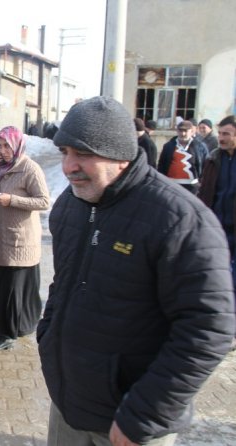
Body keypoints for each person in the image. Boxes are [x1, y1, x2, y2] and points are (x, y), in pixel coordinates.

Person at [38, 96, 235, 445]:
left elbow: (209, 328)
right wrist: (48, 335)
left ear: (120, 156)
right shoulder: (70, 205)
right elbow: (62, 283)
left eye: (83, 153)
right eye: (65, 151)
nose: (68, 166)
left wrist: (144, 415)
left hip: (129, 422)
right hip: (69, 406)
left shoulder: (179, 219)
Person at [0, 126, 50, 352]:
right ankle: (20, 326)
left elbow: (43, 201)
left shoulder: (29, 168)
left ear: (17, 145)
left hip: (21, 240)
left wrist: (13, 200)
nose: (2, 150)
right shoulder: (0, 167)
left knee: (11, 291)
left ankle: (5, 334)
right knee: (5, 287)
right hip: (1, 237)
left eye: (6, 145)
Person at [198, 115, 236, 291]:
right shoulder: (213, 160)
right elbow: (205, 192)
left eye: (227, 134)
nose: (221, 138)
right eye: (220, 133)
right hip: (217, 229)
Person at [157, 119, 208, 194]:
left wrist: (202, 182)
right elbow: (161, 165)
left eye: (185, 131)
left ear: (191, 131)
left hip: (192, 186)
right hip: (171, 184)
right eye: (180, 131)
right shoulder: (169, 146)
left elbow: (205, 165)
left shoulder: (200, 147)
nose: (183, 134)